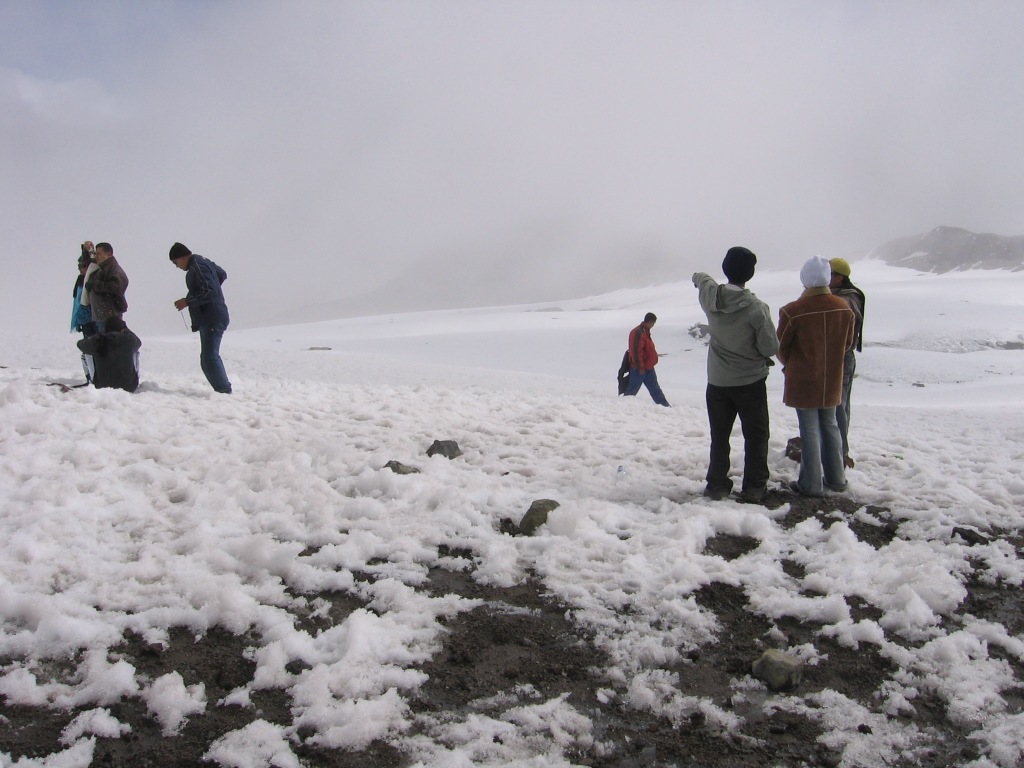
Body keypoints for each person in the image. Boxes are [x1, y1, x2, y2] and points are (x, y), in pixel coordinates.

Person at [693, 246, 780, 502]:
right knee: (756, 435)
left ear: (725, 268)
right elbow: (770, 347)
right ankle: (754, 487)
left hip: (717, 381)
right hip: (749, 381)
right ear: (749, 274)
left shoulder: (710, 297)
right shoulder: (756, 308)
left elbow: (702, 279)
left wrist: (697, 277)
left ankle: (717, 484)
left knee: (720, 435)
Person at [777, 255, 855, 497]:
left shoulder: (792, 311)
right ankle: (836, 478)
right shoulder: (843, 308)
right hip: (831, 377)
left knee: (809, 428)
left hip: (803, 379)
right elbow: (847, 344)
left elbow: (781, 347)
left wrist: (792, 365)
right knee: (830, 425)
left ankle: (810, 484)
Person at [170, 242, 232, 394]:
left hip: (212, 317)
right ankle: (223, 391)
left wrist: (187, 301)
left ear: (183, 257)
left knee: (209, 358)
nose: (176, 266)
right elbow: (222, 274)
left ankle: (224, 392)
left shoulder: (197, 266)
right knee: (208, 357)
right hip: (213, 315)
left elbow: (209, 291)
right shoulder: (202, 262)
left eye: (175, 262)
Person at [828, 258, 866, 469]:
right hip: (839, 356)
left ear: (840, 277)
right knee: (838, 404)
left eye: (831, 274)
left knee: (838, 405)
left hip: (841, 357)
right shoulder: (848, 296)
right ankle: (835, 450)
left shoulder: (846, 299)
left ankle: (840, 452)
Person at [76, 317, 141, 392]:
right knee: (135, 352)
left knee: (85, 354)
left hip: (101, 385)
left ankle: (89, 379)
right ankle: (133, 378)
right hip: (129, 386)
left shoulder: (99, 340)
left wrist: (97, 336)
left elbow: (80, 344)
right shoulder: (129, 339)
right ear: (122, 329)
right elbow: (139, 342)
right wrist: (126, 329)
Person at [623, 312, 670, 406]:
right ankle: (623, 407)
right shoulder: (638, 333)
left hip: (648, 367)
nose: (653, 325)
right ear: (649, 322)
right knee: (631, 392)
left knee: (655, 390)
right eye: (653, 323)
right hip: (638, 369)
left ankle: (666, 407)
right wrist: (640, 367)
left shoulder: (645, 331)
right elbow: (636, 352)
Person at [84, 242, 129, 332]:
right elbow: (89, 261)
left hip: (109, 316)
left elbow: (116, 286)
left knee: (109, 338)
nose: (96, 256)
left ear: (109, 254)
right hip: (102, 314)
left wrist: (95, 285)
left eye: (99, 254)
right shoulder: (103, 267)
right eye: (96, 254)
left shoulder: (114, 269)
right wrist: (86, 250)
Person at [71, 245, 98, 337]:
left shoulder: (95, 277)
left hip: (94, 318)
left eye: (82, 266)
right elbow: (78, 302)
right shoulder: (80, 280)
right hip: (85, 319)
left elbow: (93, 261)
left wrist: (88, 249)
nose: (80, 269)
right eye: (79, 266)